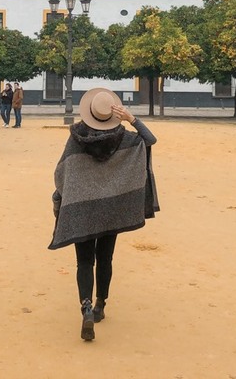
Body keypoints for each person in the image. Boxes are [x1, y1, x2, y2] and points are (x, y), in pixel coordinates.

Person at [48, 87, 159, 342]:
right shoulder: (126, 139)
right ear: (114, 113)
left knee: (84, 261)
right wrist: (131, 119)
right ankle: (100, 305)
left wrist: (62, 197)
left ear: (88, 113)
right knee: (105, 258)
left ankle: (85, 306)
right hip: (111, 210)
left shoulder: (77, 137)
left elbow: (62, 172)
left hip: (81, 210)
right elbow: (150, 140)